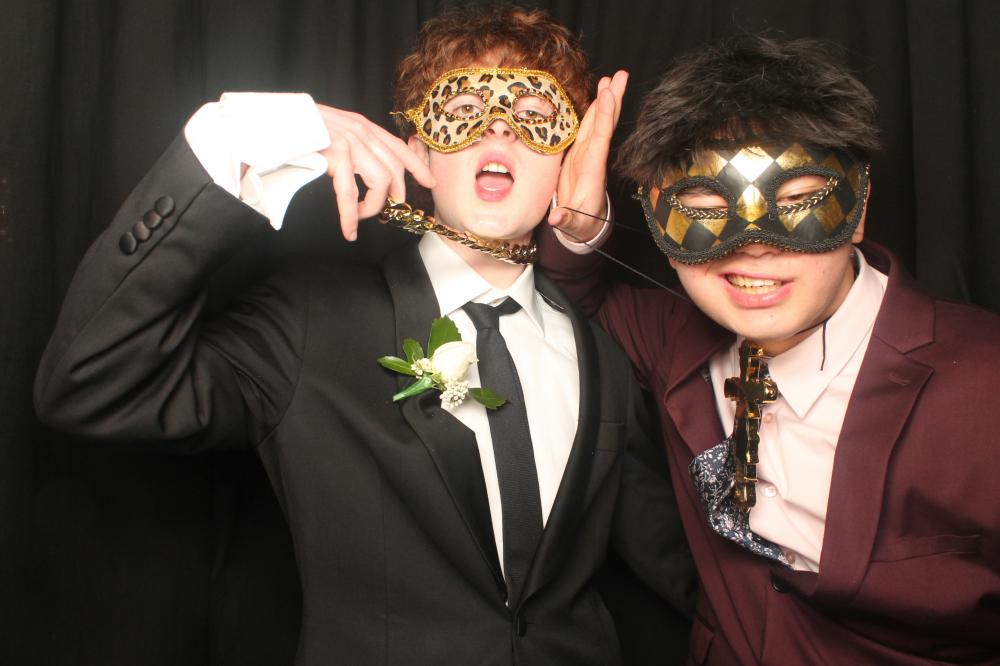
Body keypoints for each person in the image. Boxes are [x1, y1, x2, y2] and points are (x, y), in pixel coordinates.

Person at [33, 5, 694, 665]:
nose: (498, 129)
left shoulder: (601, 354)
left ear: (567, 158)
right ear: (418, 150)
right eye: (463, 108)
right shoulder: (311, 322)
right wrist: (254, 136)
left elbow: (681, 567)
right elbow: (91, 381)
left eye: (534, 115)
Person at [540, 35, 1000, 664]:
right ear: (658, 221)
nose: (753, 244)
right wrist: (578, 223)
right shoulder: (676, 338)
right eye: (703, 208)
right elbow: (575, 296)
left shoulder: (985, 388)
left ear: (858, 206)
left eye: (799, 202)